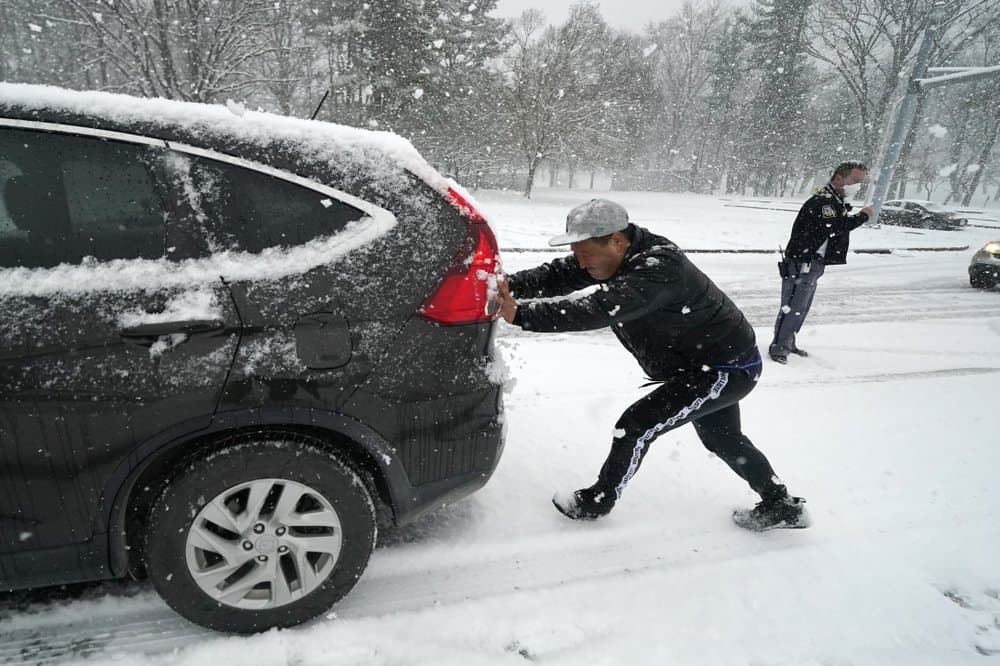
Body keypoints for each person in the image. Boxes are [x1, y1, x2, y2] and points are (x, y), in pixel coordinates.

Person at [494, 198, 809, 531]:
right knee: (723, 438)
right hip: (703, 364)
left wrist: (522, 315)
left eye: (584, 253)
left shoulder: (659, 268)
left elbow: (600, 308)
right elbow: (562, 274)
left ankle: (598, 502)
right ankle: (782, 505)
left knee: (635, 426)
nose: (580, 262)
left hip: (725, 368)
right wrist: (508, 285)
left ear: (617, 240)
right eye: (577, 252)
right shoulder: (617, 254)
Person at [769, 161, 874, 364]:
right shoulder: (824, 201)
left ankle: (788, 341)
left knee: (801, 306)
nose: (858, 186)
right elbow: (835, 226)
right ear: (838, 178)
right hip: (802, 262)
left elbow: (833, 225)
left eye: (861, 182)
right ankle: (779, 347)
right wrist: (862, 216)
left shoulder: (834, 200)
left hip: (813, 262)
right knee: (792, 305)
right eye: (855, 180)